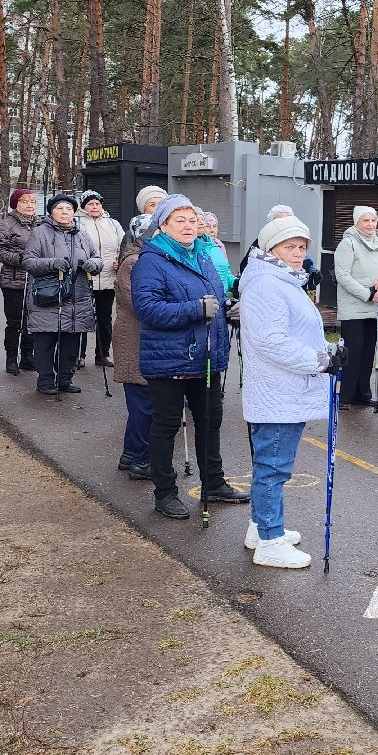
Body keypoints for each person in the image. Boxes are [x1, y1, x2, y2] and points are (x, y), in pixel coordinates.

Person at [237, 214, 345, 567]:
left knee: (272, 464)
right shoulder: (267, 284)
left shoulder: (283, 279)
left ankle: (261, 528)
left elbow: (297, 332)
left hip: (285, 389)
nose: (298, 253)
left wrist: (328, 350)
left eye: (302, 247)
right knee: (273, 467)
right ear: (271, 248)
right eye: (289, 246)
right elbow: (271, 341)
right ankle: (270, 541)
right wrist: (320, 360)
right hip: (277, 391)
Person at [131, 194, 248, 520]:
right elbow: (147, 308)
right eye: (179, 221)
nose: (188, 226)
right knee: (166, 425)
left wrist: (227, 308)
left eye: (192, 220)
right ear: (163, 225)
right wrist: (195, 309)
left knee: (210, 421)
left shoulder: (203, 255)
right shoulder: (152, 260)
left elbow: (215, 295)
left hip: (205, 356)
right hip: (168, 360)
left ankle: (213, 483)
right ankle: (165, 492)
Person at [21, 193, 101, 396]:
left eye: (69, 209)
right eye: (60, 208)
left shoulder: (82, 234)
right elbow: (28, 262)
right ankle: (45, 380)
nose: (65, 212)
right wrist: (51, 263)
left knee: (70, 343)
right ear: (51, 212)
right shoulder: (40, 233)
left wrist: (94, 265)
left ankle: (65, 379)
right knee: (45, 342)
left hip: (77, 297)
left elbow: (97, 257)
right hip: (49, 296)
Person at [333, 205, 378, 409]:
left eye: (373, 220)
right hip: (354, 308)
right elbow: (342, 276)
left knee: (368, 351)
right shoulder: (348, 243)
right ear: (356, 222)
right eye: (365, 220)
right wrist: (367, 293)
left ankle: (362, 393)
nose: (370, 224)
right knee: (353, 352)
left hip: (374, 307)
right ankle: (344, 396)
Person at [112, 213, 152, 481]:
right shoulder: (133, 263)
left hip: (140, 338)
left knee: (142, 402)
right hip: (133, 339)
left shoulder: (142, 259)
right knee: (143, 404)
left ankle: (130, 454)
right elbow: (141, 304)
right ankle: (140, 459)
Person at [75, 190, 124, 369]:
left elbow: (123, 245)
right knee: (81, 317)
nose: (94, 207)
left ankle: (103, 354)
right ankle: (78, 355)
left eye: (97, 203)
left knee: (105, 318)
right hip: (84, 278)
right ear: (83, 206)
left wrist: (120, 260)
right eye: (90, 204)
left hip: (108, 278)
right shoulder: (77, 222)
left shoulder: (113, 224)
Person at [0, 188, 38, 375]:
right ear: (15, 204)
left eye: (32, 202)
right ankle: (11, 357)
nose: (29, 205)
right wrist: (20, 259)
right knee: (15, 321)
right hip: (13, 281)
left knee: (33, 320)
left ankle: (28, 356)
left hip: (36, 281)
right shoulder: (6, 224)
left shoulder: (40, 224)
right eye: (24, 202)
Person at [195, 210, 236, 294]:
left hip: (222, 297)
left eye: (214, 226)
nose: (212, 230)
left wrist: (235, 283)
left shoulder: (218, 247)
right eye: (208, 226)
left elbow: (225, 273)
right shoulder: (193, 247)